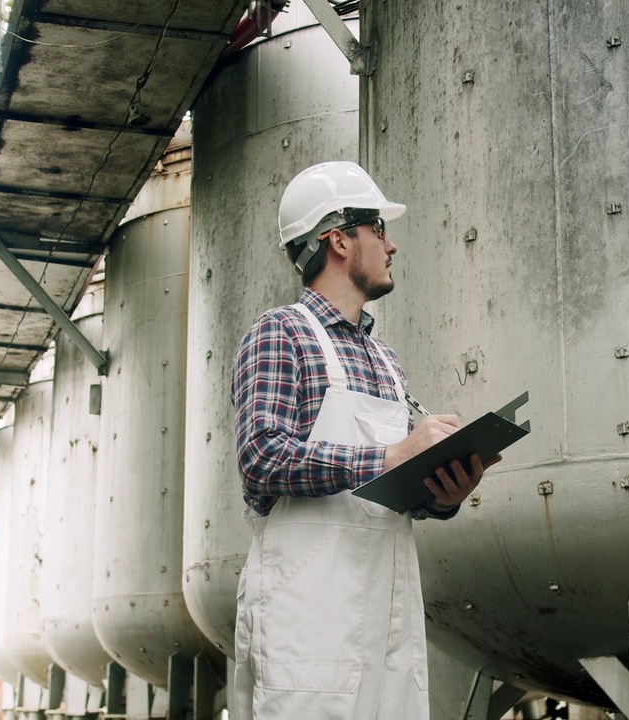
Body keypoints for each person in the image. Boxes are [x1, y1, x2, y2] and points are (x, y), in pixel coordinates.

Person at [229, 161, 496, 720]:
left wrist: (442, 494)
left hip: (387, 621)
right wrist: (392, 453)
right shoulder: (281, 333)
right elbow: (260, 457)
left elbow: (395, 486)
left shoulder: (384, 360)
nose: (391, 244)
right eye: (378, 228)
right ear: (339, 240)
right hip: (309, 625)